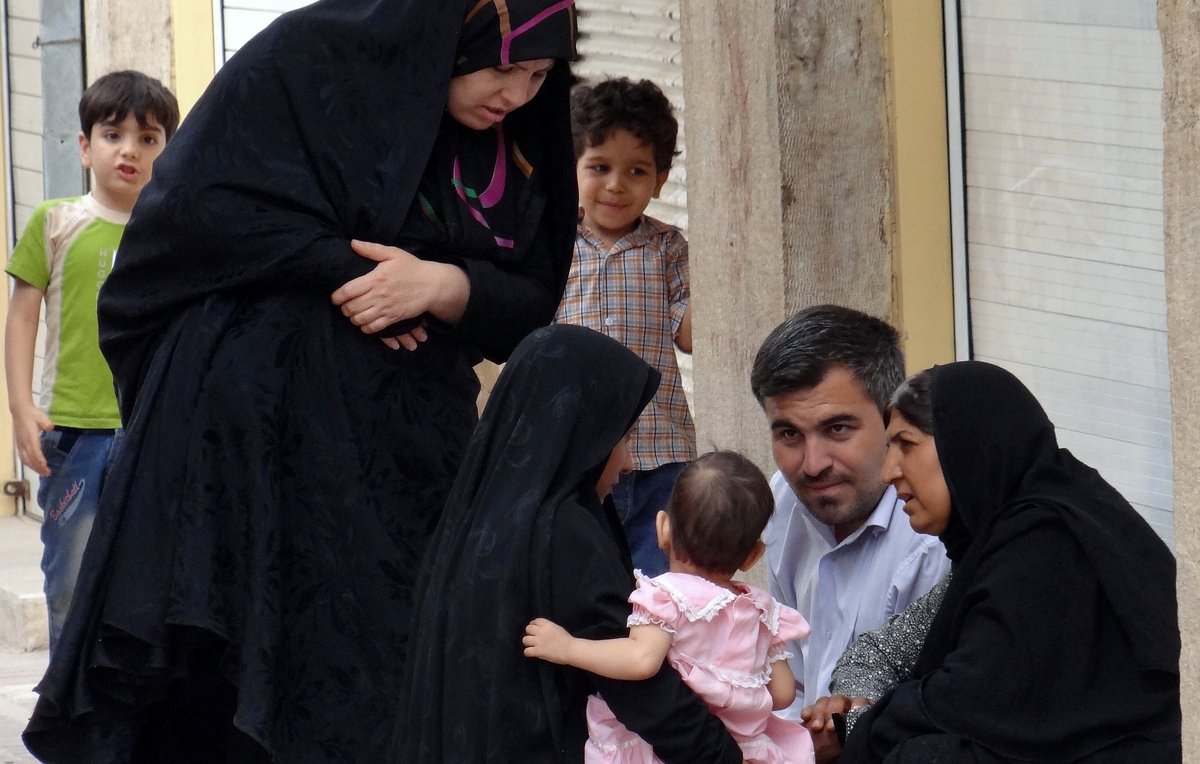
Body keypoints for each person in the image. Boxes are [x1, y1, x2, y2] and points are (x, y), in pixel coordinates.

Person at [24, 1, 580, 761]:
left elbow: (533, 296)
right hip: (244, 449)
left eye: (540, 75)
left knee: (387, 677)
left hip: (402, 460)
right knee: (231, 683)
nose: (515, 94)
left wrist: (441, 285)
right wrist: (340, 266)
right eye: (503, 66)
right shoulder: (306, 62)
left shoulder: (518, 142)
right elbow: (193, 214)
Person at [398, 325, 743, 763]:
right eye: (621, 438)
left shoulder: (480, 514)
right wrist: (726, 756)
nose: (628, 463)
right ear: (582, 431)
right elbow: (641, 686)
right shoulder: (565, 533)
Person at [840, 361, 1181, 762]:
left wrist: (858, 727)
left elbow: (969, 699)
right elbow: (884, 652)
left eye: (907, 445)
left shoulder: (1046, 543)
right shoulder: (995, 543)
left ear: (965, 444)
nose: (888, 472)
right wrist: (857, 717)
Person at [3, 70, 178, 654]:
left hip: (151, 430)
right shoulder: (55, 222)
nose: (130, 150)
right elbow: (22, 318)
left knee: (149, 582)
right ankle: (65, 696)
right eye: (112, 134)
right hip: (72, 432)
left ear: (168, 152)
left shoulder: (173, 236)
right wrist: (21, 407)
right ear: (84, 147)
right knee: (70, 581)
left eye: (148, 139)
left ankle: (129, 701)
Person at [524, 449, 816, 764]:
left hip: (667, 752)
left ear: (662, 527)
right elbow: (783, 693)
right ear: (752, 556)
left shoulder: (665, 597)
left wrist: (568, 648)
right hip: (745, 749)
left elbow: (641, 660)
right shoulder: (759, 609)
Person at [748, 305, 950, 736]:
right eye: (789, 434)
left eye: (837, 429)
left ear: (892, 420)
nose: (813, 464)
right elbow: (794, 686)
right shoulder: (782, 500)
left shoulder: (933, 542)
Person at [554, 77, 694, 576]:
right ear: (570, 168)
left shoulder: (667, 248)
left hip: (661, 455)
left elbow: (691, 336)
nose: (616, 184)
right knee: (586, 584)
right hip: (577, 458)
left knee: (663, 588)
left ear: (660, 180)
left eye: (637, 170)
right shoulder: (554, 248)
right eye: (600, 167)